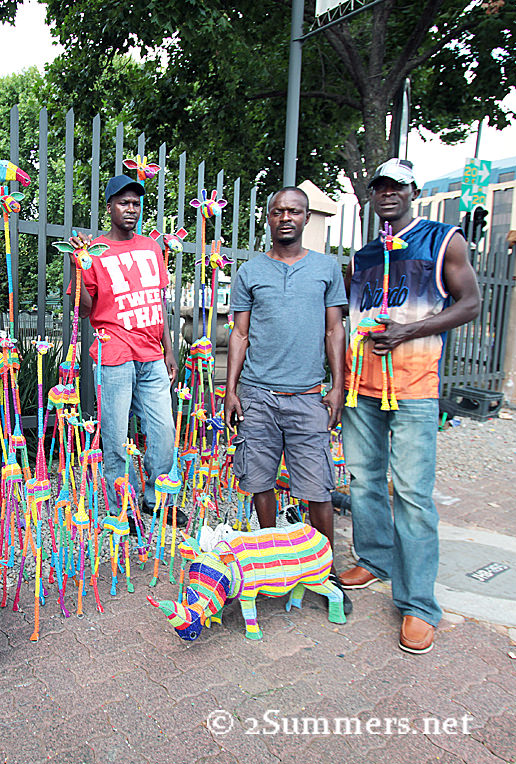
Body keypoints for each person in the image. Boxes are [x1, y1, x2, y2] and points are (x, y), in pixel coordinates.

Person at [338, 158, 480, 654]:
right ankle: (375, 558)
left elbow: (470, 303)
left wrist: (409, 330)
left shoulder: (445, 240)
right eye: (379, 187)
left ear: (413, 190)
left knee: (414, 495)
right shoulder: (364, 255)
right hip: (362, 389)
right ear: (372, 196)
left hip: (416, 387)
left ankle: (418, 604)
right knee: (363, 480)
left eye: (397, 186)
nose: (388, 194)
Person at [223, 186, 351, 613]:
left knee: (317, 487)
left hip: (307, 396)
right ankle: (271, 560)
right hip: (258, 395)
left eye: (294, 211)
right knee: (259, 481)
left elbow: (336, 330)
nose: (286, 218)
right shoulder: (250, 272)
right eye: (278, 211)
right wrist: (231, 389)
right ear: (269, 218)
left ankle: (324, 569)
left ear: (305, 217)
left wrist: (337, 385)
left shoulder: (326, 268)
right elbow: (239, 334)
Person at [69, 175, 176, 521]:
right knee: (115, 439)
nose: (130, 209)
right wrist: (79, 263)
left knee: (163, 433)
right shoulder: (95, 250)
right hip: (113, 355)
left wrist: (168, 348)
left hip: (152, 355)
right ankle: (123, 508)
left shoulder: (151, 248)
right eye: (123, 203)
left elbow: (158, 301)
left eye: (135, 203)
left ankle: (156, 499)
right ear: (109, 207)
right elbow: (84, 309)